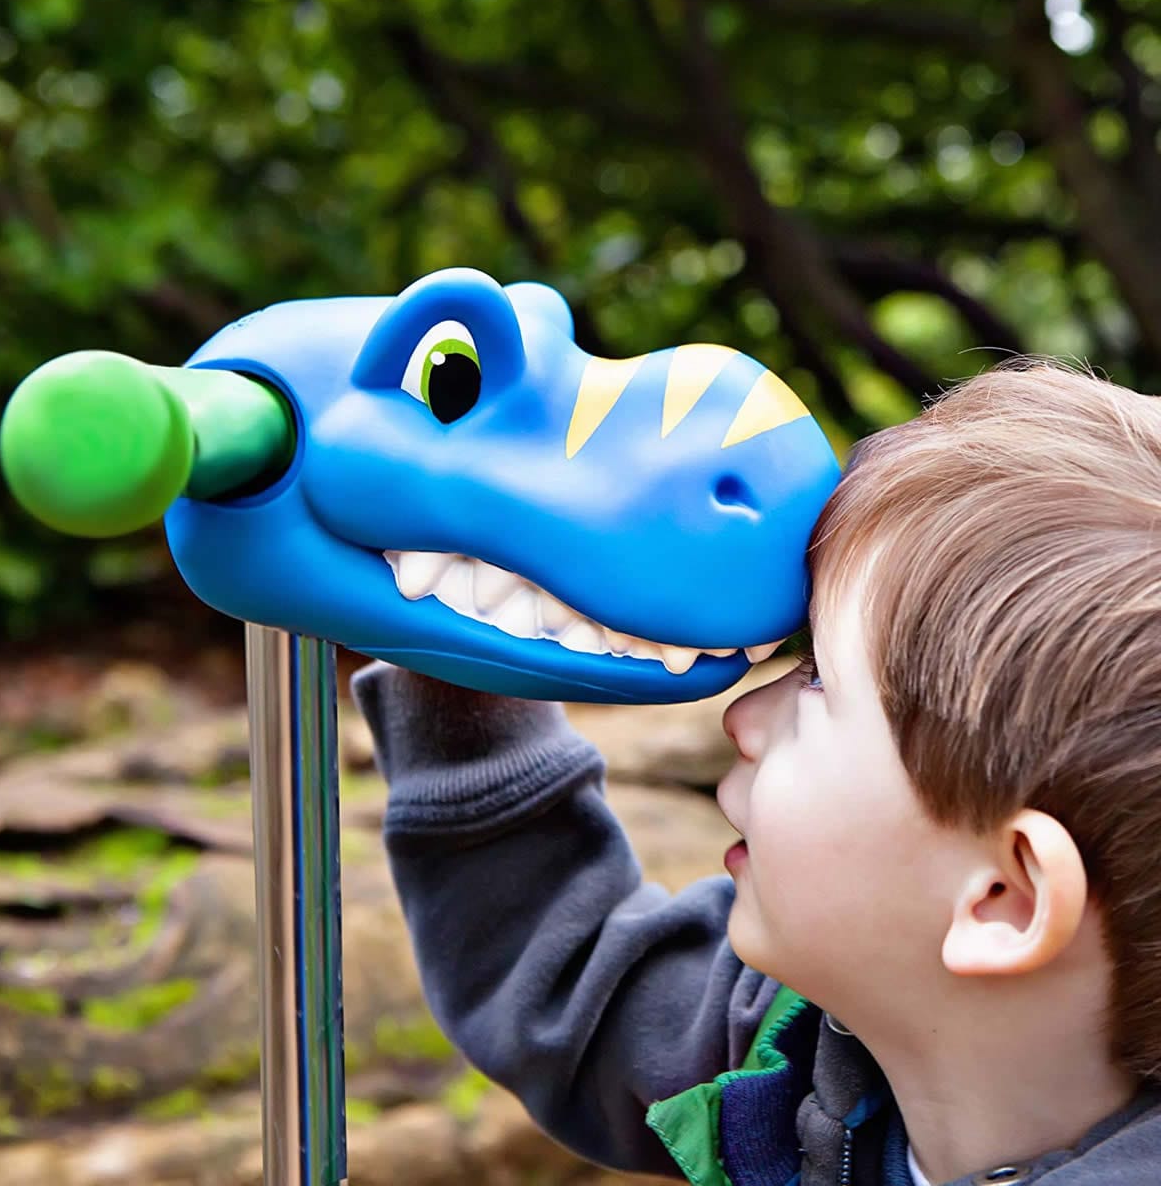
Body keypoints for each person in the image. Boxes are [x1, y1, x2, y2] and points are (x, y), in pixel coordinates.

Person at [353, 359, 1161, 1186]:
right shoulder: (799, 1040)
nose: (741, 719)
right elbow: (573, 989)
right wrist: (457, 642)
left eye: (817, 680)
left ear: (1003, 898)